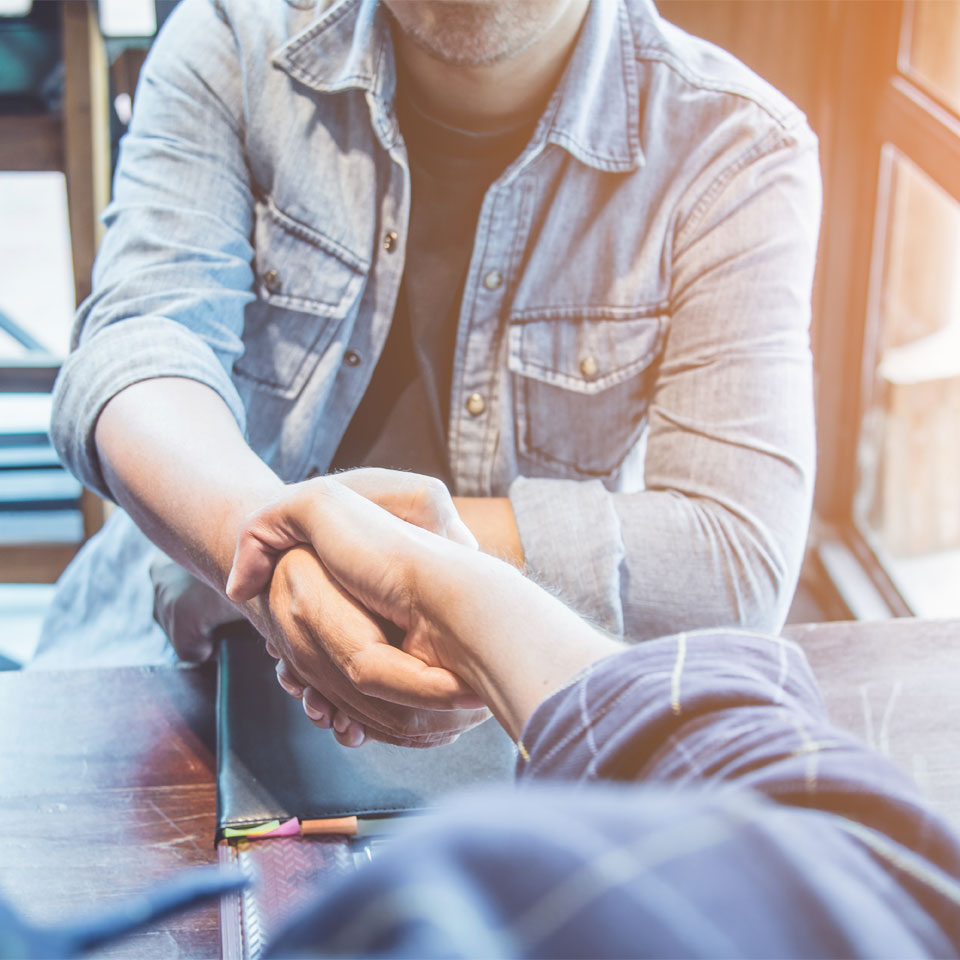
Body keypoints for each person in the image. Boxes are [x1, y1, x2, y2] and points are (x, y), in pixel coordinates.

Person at [35, 0, 821, 748]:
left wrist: (304, 550)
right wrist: (236, 537)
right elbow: (136, 350)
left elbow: (731, 560)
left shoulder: (737, 147)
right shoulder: (238, 40)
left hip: (507, 711)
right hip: (176, 656)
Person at [237, 477, 960, 957]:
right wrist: (447, 588)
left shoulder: (442, 893)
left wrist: (431, 584)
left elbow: (730, 558)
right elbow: (871, 856)